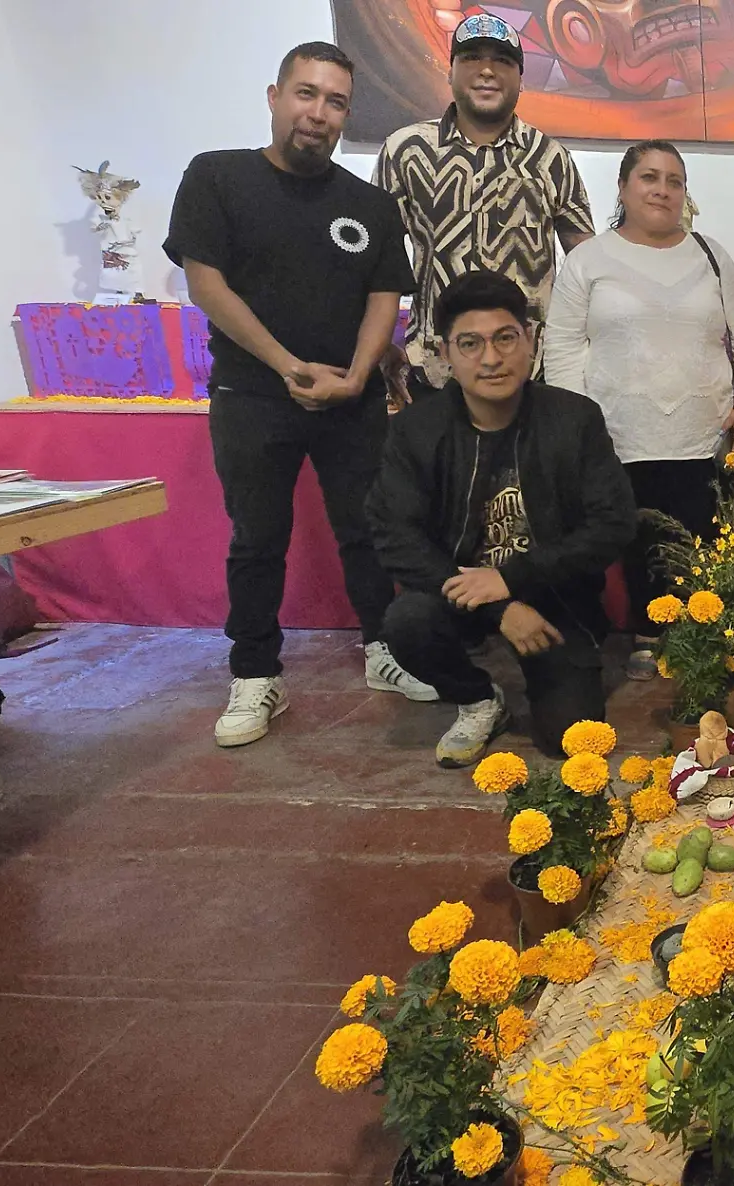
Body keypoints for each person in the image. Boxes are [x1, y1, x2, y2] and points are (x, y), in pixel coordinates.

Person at [165, 41, 434, 749]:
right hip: (252, 395)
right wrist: (288, 365)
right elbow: (206, 284)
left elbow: (385, 296)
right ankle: (256, 675)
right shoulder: (217, 178)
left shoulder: (369, 205)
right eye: (307, 94)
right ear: (275, 96)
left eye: (336, 101)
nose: (319, 113)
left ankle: (385, 649)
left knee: (368, 532)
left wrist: (356, 372)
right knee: (257, 540)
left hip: (351, 400)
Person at [369, 272, 637, 766]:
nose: (490, 359)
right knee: (406, 623)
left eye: (505, 338)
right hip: (459, 593)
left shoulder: (574, 420)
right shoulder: (416, 430)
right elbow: (392, 534)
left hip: (554, 595)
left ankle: (555, 670)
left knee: (570, 740)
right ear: (445, 352)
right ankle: (477, 698)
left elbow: (613, 524)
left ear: (530, 341)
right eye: (469, 344)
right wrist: (500, 607)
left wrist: (512, 579)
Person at [544, 140, 734, 679]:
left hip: (702, 428)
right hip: (616, 432)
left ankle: (700, 632)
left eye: (674, 180)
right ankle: (648, 637)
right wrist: (576, 421)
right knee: (637, 536)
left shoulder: (711, 256)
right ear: (623, 187)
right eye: (649, 177)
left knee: (700, 532)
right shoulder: (589, 259)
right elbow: (562, 344)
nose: (663, 189)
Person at [371, 12, 594, 399]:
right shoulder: (406, 152)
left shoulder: (550, 158)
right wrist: (376, 346)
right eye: (472, 58)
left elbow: (588, 265)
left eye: (503, 61)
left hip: (529, 376)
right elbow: (375, 260)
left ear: (521, 80)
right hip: (435, 375)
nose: (487, 71)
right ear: (450, 70)